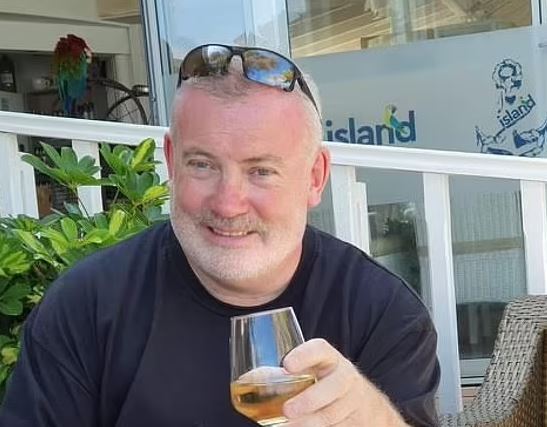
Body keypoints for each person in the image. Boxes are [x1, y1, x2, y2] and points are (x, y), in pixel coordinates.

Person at [0, 44, 439, 427]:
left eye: (261, 171)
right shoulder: (86, 307)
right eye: (203, 165)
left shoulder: (380, 311)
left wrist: (375, 418)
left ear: (314, 177)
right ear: (171, 162)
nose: (229, 204)